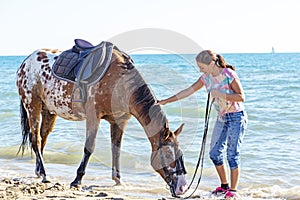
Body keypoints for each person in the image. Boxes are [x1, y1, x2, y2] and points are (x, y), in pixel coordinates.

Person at [157, 50, 247, 199]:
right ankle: (224, 186)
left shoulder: (228, 74)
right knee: (214, 154)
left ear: (211, 64)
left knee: (232, 155)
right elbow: (188, 91)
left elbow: (241, 97)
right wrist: (167, 100)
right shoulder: (206, 78)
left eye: (202, 67)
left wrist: (220, 94)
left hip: (237, 117)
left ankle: (234, 191)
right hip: (222, 118)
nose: (200, 70)